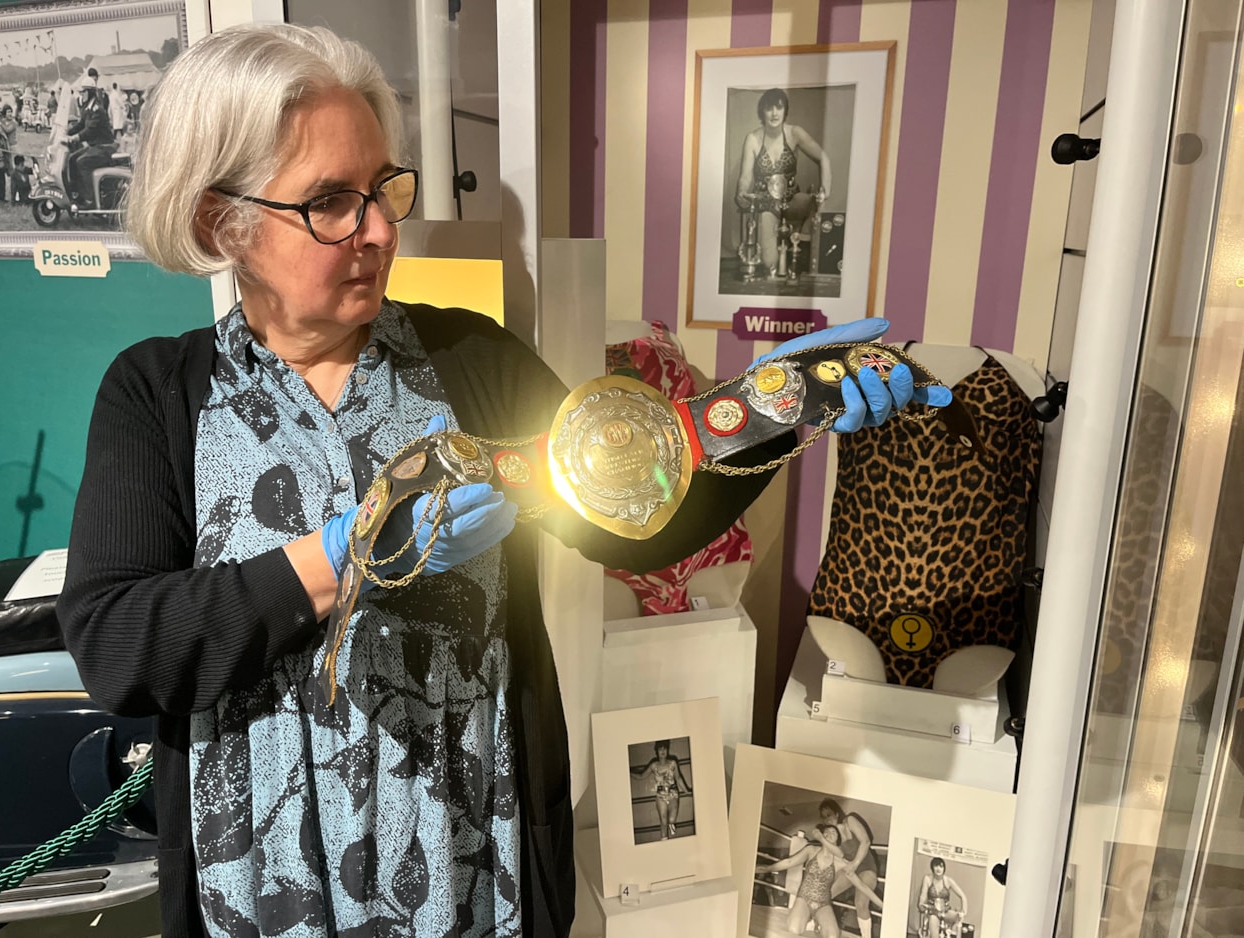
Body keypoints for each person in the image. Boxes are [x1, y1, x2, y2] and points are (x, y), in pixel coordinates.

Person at [57, 22, 944, 938]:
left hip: (466, 861)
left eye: (382, 189)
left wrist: (770, 411)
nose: (380, 229)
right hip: (264, 878)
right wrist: (345, 556)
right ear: (223, 222)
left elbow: (639, 521)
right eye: (330, 202)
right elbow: (120, 648)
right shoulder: (159, 394)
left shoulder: (472, 362)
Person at [734, 87, 832, 279]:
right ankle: (777, 257)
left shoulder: (795, 133)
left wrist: (825, 191)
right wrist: (742, 192)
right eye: (769, 108)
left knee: (812, 202)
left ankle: (800, 245)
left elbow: (823, 158)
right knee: (769, 264)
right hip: (766, 205)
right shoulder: (752, 139)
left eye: (779, 108)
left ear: (785, 110)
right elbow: (745, 177)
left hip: (792, 200)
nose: (774, 113)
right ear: (762, 112)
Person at [757, 824, 883, 937]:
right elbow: (789, 862)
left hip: (824, 904)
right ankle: (807, 917)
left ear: (837, 840)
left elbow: (861, 885)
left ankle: (815, 920)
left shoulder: (841, 863)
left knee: (833, 936)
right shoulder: (811, 850)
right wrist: (767, 868)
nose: (829, 834)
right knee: (794, 930)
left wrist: (882, 905)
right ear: (822, 835)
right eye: (826, 832)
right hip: (804, 898)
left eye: (833, 833)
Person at [819, 798, 882, 938]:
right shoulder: (832, 834)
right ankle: (820, 923)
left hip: (866, 867)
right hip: (849, 869)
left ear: (836, 813)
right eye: (823, 818)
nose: (827, 820)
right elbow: (835, 858)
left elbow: (865, 842)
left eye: (828, 815)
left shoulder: (850, 820)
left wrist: (854, 864)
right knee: (825, 894)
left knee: (860, 903)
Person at [64, 75, 116, 208]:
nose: (81, 94)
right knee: (71, 159)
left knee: (82, 162)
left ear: (90, 92)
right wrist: (66, 131)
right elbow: (81, 124)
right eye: (81, 92)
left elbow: (90, 130)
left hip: (104, 147)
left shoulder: (97, 109)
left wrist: (76, 137)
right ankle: (76, 194)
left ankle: (90, 199)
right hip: (96, 147)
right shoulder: (88, 108)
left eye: (84, 92)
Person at [631, 740, 693, 840]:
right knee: (663, 822)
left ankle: (671, 831)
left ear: (667, 750)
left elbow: (678, 778)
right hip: (661, 795)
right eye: (660, 749)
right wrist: (629, 773)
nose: (663, 751)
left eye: (665, 749)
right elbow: (641, 776)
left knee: (671, 820)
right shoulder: (654, 766)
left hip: (673, 794)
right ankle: (664, 840)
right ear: (657, 751)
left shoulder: (673, 763)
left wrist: (687, 791)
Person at [918, 857, 967, 937]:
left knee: (959, 918)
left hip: (946, 911)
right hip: (933, 913)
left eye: (941, 866)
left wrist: (964, 912)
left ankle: (951, 934)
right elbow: (922, 898)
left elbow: (963, 896)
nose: (938, 869)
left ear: (944, 868)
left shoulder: (948, 880)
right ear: (932, 867)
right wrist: (922, 905)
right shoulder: (927, 879)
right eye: (936, 866)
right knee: (934, 931)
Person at [0, 104, 16, 203]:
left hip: (3, 150)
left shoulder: (0, 124)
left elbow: (4, 132)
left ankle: (1, 196)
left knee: (1, 173)